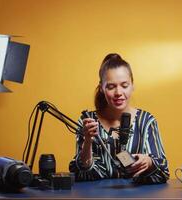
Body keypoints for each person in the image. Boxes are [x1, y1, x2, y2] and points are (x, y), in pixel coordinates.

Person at [69, 53, 169, 184]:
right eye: (111, 87)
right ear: (101, 88)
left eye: (124, 85)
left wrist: (149, 162)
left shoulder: (146, 121)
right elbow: (80, 173)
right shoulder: (88, 121)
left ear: (132, 85)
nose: (118, 93)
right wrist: (87, 141)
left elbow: (163, 172)